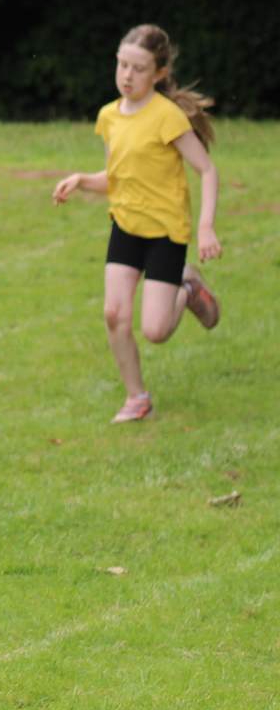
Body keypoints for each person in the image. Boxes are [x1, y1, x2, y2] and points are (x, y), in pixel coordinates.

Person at [50, 23, 222, 423]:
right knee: (114, 314)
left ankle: (186, 286)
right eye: (122, 65)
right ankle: (137, 397)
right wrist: (81, 180)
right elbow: (117, 178)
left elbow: (207, 170)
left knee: (156, 332)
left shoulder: (167, 117)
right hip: (126, 226)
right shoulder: (109, 117)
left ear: (159, 73)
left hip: (165, 234)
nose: (127, 75)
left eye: (139, 68)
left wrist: (206, 227)